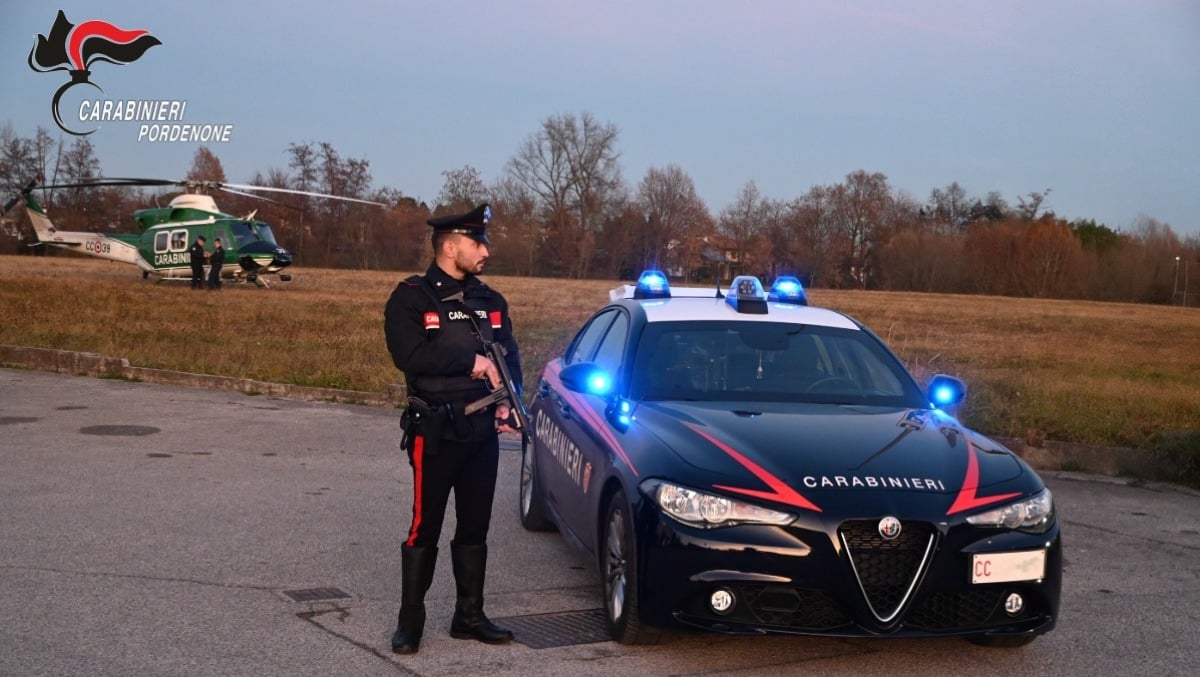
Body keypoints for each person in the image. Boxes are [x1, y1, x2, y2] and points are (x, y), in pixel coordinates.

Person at [383, 203, 521, 655]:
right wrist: (471, 361)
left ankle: (469, 615)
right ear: (449, 246)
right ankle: (410, 622)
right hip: (436, 432)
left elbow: (510, 356)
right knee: (426, 526)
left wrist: (508, 403)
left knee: (475, 526)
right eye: (477, 242)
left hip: (482, 432)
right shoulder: (412, 297)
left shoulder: (490, 301)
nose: (486, 250)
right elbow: (411, 357)